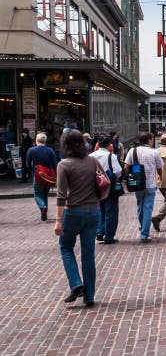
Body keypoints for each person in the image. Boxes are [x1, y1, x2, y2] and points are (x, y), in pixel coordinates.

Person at [54, 130, 101, 307]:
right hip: (93, 211)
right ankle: (89, 296)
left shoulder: (64, 165)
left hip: (73, 212)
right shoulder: (92, 161)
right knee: (88, 255)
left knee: (66, 247)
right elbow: (105, 182)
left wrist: (58, 220)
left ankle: (76, 284)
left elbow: (61, 195)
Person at [124, 132, 162, 243]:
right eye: (152, 139)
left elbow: (126, 167)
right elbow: (160, 168)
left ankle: (142, 228)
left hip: (137, 184)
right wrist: (160, 177)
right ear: (149, 140)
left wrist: (130, 176)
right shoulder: (154, 152)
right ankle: (145, 234)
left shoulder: (132, 151)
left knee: (140, 206)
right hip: (150, 184)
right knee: (148, 208)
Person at [89, 136, 123, 244]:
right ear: (109, 145)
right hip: (108, 187)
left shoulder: (90, 156)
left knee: (99, 210)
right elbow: (118, 171)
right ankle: (109, 236)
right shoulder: (111, 156)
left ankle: (99, 231)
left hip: (94, 187)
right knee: (111, 212)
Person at [27, 132, 58, 221]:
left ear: (36, 140)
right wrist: (55, 175)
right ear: (45, 141)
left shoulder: (31, 150)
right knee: (45, 194)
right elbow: (55, 164)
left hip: (37, 175)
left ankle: (42, 207)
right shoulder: (50, 150)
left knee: (37, 194)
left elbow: (27, 164)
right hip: (47, 176)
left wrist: (30, 172)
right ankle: (44, 212)